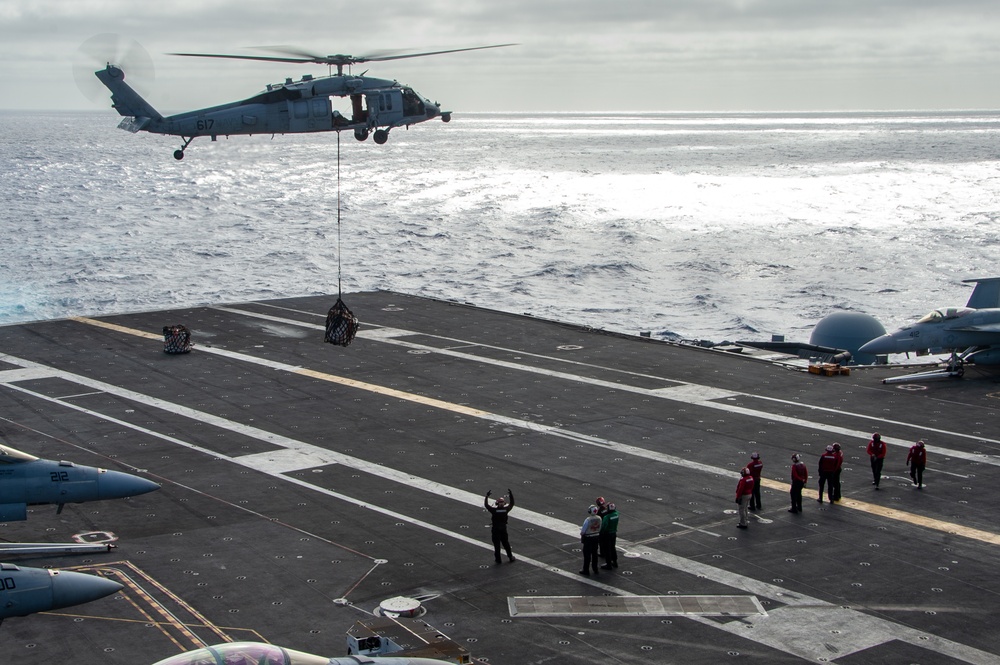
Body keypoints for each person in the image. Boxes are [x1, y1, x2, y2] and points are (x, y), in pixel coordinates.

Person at [484, 489, 515, 564]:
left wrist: (487, 496)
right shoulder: (506, 509)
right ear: (504, 503)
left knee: (497, 546)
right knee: (506, 544)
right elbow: (512, 503)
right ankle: (510, 557)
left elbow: (487, 505)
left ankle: (498, 559)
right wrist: (511, 495)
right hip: (503, 529)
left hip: (495, 530)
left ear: (497, 503)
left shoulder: (494, 511)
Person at [580, 505, 603, 575]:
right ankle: (595, 568)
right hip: (596, 537)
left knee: (587, 555)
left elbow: (583, 530)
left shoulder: (588, 519)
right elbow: (600, 527)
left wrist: (582, 534)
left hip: (588, 538)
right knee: (594, 553)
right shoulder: (599, 518)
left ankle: (586, 570)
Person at [599, 502, 619, 570]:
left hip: (607, 534)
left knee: (607, 549)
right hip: (614, 533)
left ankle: (608, 564)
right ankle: (615, 561)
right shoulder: (616, 514)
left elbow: (604, 526)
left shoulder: (607, 517)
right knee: (613, 548)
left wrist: (601, 534)